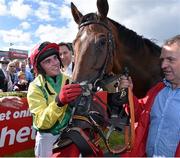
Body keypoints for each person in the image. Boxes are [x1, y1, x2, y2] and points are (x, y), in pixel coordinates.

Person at [120, 35, 180, 157]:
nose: (163, 65)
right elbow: (138, 115)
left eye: (170, 59)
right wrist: (129, 93)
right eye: (162, 60)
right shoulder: (158, 90)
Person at [27, 42, 82, 157]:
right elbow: (41, 123)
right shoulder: (35, 87)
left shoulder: (69, 80)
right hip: (47, 139)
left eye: (55, 58)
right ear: (40, 67)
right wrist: (59, 102)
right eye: (48, 61)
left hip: (69, 133)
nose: (55, 63)